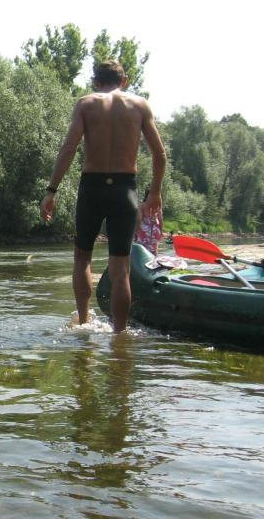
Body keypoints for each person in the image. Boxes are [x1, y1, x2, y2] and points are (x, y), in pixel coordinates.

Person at [39, 60, 166, 332]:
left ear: (96, 82)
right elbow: (159, 154)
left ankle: (84, 323)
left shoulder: (85, 104)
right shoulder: (140, 106)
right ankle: (119, 335)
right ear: (124, 81)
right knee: (121, 268)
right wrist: (155, 192)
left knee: (82, 258)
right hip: (124, 190)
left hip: (92, 188)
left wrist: (51, 191)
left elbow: (69, 148)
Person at [134, 186, 163, 255]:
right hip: (155, 230)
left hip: (144, 230)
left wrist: (136, 230)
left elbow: (138, 219)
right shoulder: (158, 206)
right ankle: (154, 259)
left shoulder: (142, 206)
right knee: (153, 250)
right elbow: (160, 219)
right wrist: (161, 232)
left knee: (141, 250)